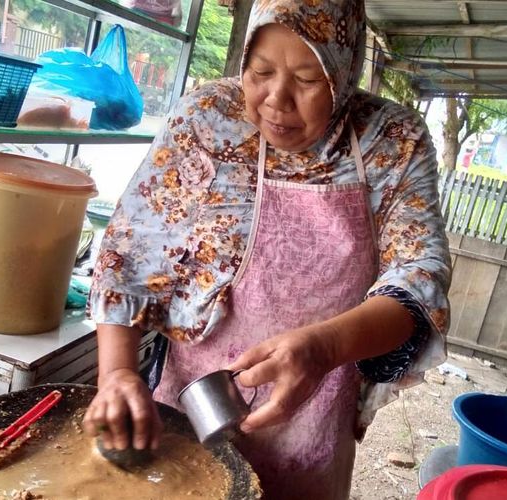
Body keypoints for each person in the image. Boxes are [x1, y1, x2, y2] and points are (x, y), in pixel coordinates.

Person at [82, 0, 451, 498]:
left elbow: (419, 278)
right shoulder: (210, 119)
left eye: (307, 79)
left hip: (314, 415)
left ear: (343, 72)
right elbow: (130, 252)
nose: (277, 99)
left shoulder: (391, 141)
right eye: (261, 71)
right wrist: (118, 373)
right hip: (190, 409)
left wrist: (323, 348)